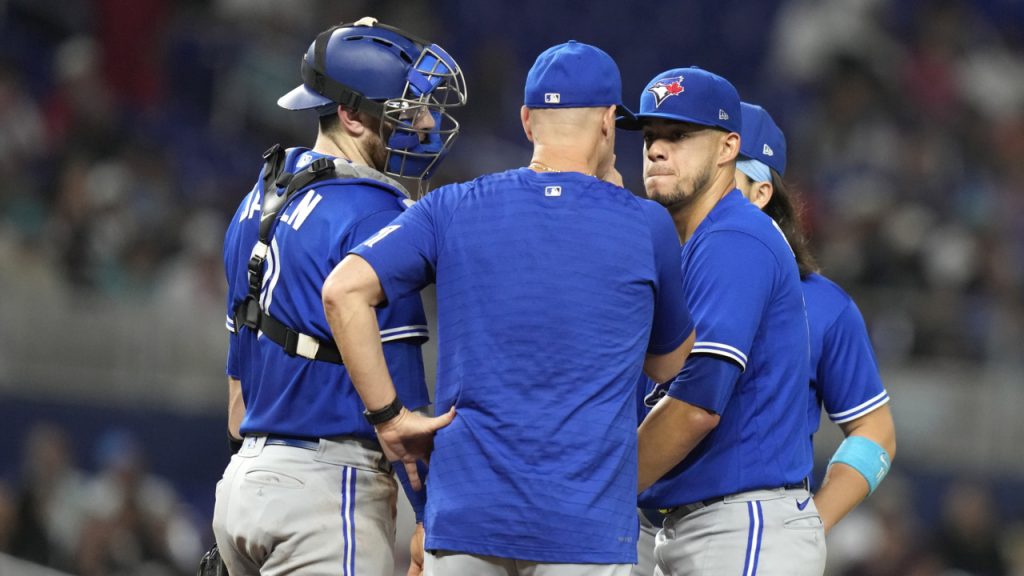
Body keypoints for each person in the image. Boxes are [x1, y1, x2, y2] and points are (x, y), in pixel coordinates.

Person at [322, 40, 695, 576]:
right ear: (609, 122)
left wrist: (390, 419)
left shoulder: (450, 205)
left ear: (527, 121)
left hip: (466, 521)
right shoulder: (647, 225)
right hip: (584, 528)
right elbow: (670, 366)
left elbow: (343, 291)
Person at [214, 17, 466, 576]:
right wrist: (429, 519)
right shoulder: (378, 214)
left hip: (239, 489)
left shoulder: (256, 204)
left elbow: (238, 403)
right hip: (327, 496)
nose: (423, 124)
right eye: (404, 111)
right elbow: (404, 396)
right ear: (351, 114)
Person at [620, 67, 826, 575]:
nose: (656, 150)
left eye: (680, 135)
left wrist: (599, 488)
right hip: (700, 524)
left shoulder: (736, 237)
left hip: (744, 523)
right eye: (651, 137)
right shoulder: (689, 244)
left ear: (728, 146)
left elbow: (697, 403)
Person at [733, 102, 896, 535]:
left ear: (760, 190)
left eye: (722, 172)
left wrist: (808, 526)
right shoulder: (652, 276)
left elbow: (874, 430)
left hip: (742, 534)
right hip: (631, 528)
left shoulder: (822, 305)